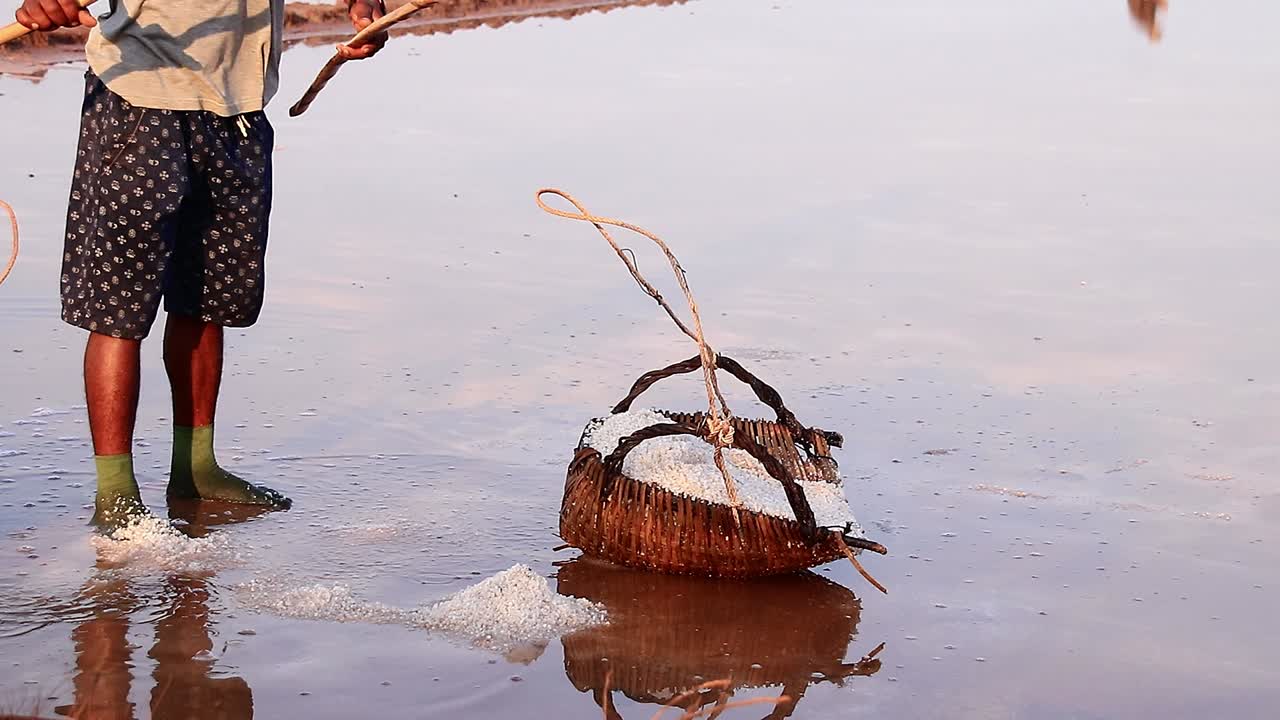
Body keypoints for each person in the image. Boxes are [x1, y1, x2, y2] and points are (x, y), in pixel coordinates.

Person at [13, 0, 391, 528]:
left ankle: (195, 469)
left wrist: (366, 10)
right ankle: (115, 493)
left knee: (207, 301)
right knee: (119, 313)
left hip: (238, 112)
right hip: (137, 103)